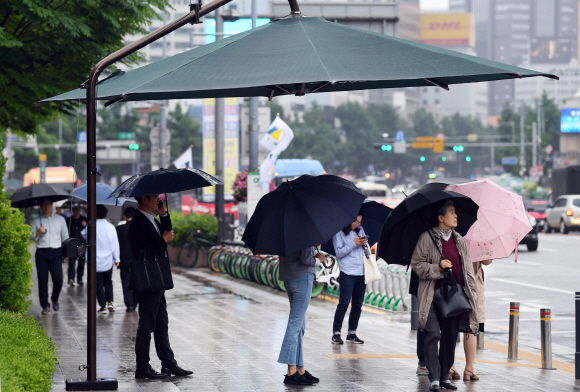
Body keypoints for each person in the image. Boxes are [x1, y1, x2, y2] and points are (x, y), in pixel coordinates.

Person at [411, 200, 478, 392]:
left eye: (455, 212)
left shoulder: (459, 240)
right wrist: (437, 267)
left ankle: (444, 376)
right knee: (432, 334)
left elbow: (466, 270)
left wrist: (471, 294)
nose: (455, 216)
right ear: (441, 218)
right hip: (432, 294)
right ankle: (433, 377)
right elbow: (417, 264)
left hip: (453, 294)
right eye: (451, 212)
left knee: (450, 336)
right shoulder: (426, 238)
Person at [129, 194, 193, 380]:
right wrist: (162, 240)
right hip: (148, 281)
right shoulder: (137, 223)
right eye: (155, 197)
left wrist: (164, 215)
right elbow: (140, 251)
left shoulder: (152, 219)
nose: (158, 199)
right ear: (144, 199)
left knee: (161, 324)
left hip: (157, 280)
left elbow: (167, 235)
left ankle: (168, 363)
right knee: (147, 325)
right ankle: (142, 367)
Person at [277, 246, 325, 385]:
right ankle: (291, 372)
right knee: (295, 324)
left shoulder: (287, 231)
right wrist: (318, 260)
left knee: (299, 325)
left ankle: (300, 369)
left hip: (289, 278)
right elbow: (306, 259)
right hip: (302, 278)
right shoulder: (304, 231)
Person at [448, 259, 492, 381]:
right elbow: (487, 261)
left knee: (450, 326)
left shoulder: (450, 239)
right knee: (471, 327)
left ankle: (449, 366)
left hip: (453, 284)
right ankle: (469, 368)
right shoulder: (477, 240)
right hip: (472, 286)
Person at [331, 212, 367, 345]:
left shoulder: (360, 230)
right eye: (355, 222)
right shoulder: (338, 233)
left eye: (359, 222)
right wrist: (354, 243)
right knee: (344, 303)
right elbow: (339, 253)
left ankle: (352, 332)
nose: (357, 224)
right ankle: (336, 333)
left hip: (361, 272)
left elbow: (362, 250)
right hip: (347, 272)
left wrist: (364, 244)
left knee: (357, 304)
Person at [29, 198, 69, 315]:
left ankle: (54, 298)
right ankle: (45, 305)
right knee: (42, 280)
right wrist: (37, 233)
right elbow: (31, 236)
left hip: (56, 253)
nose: (46, 206)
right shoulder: (36, 221)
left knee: (58, 279)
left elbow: (65, 237)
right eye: (44, 204)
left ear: (52, 205)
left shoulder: (60, 220)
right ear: (41, 206)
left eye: (48, 204)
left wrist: (66, 253)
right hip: (42, 253)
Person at [82, 205, 120, 313]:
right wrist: (117, 258)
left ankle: (103, 305)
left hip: (94, 261)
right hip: (108, 260)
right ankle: (110, 302)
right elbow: (115, 244)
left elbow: (83, 234)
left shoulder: (91, 226)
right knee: (108, 281)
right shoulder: (111, 227)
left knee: (98, 283)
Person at [116, 206, 137, 312]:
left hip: (123, 261)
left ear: (125, 216)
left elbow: (116, 245)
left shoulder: (119, 229)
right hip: (137, 261)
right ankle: (135, 303)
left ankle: (128, 305)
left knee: (125, 282)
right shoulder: (140, 228)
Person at [66, 204, 87, 286]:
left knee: (81, 263)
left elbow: (88, 232)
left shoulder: (84, 219)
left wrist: (85, 226)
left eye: (77, 209)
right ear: (72, 210)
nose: (76, 210)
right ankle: (71, 278)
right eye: (74, 209)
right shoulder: (68, 220)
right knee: (71, 263)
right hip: (71, 244)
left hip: (81, 244)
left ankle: (80, 278)